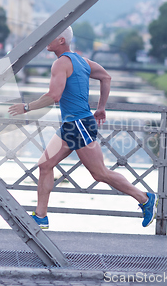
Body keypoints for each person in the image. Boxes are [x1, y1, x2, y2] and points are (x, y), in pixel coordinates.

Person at [8, 26, 158, 229]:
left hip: (79, 124)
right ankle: (41, 216)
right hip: (72, 125)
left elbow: (54, 96)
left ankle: (145, 199)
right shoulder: (82, 60)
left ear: (61, 40)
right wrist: (101, 108)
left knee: (100, 173)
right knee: (45, 165)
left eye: (51, 37)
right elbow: (106, 77)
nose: (46, 41)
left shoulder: (61, 63)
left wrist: (26, 107)